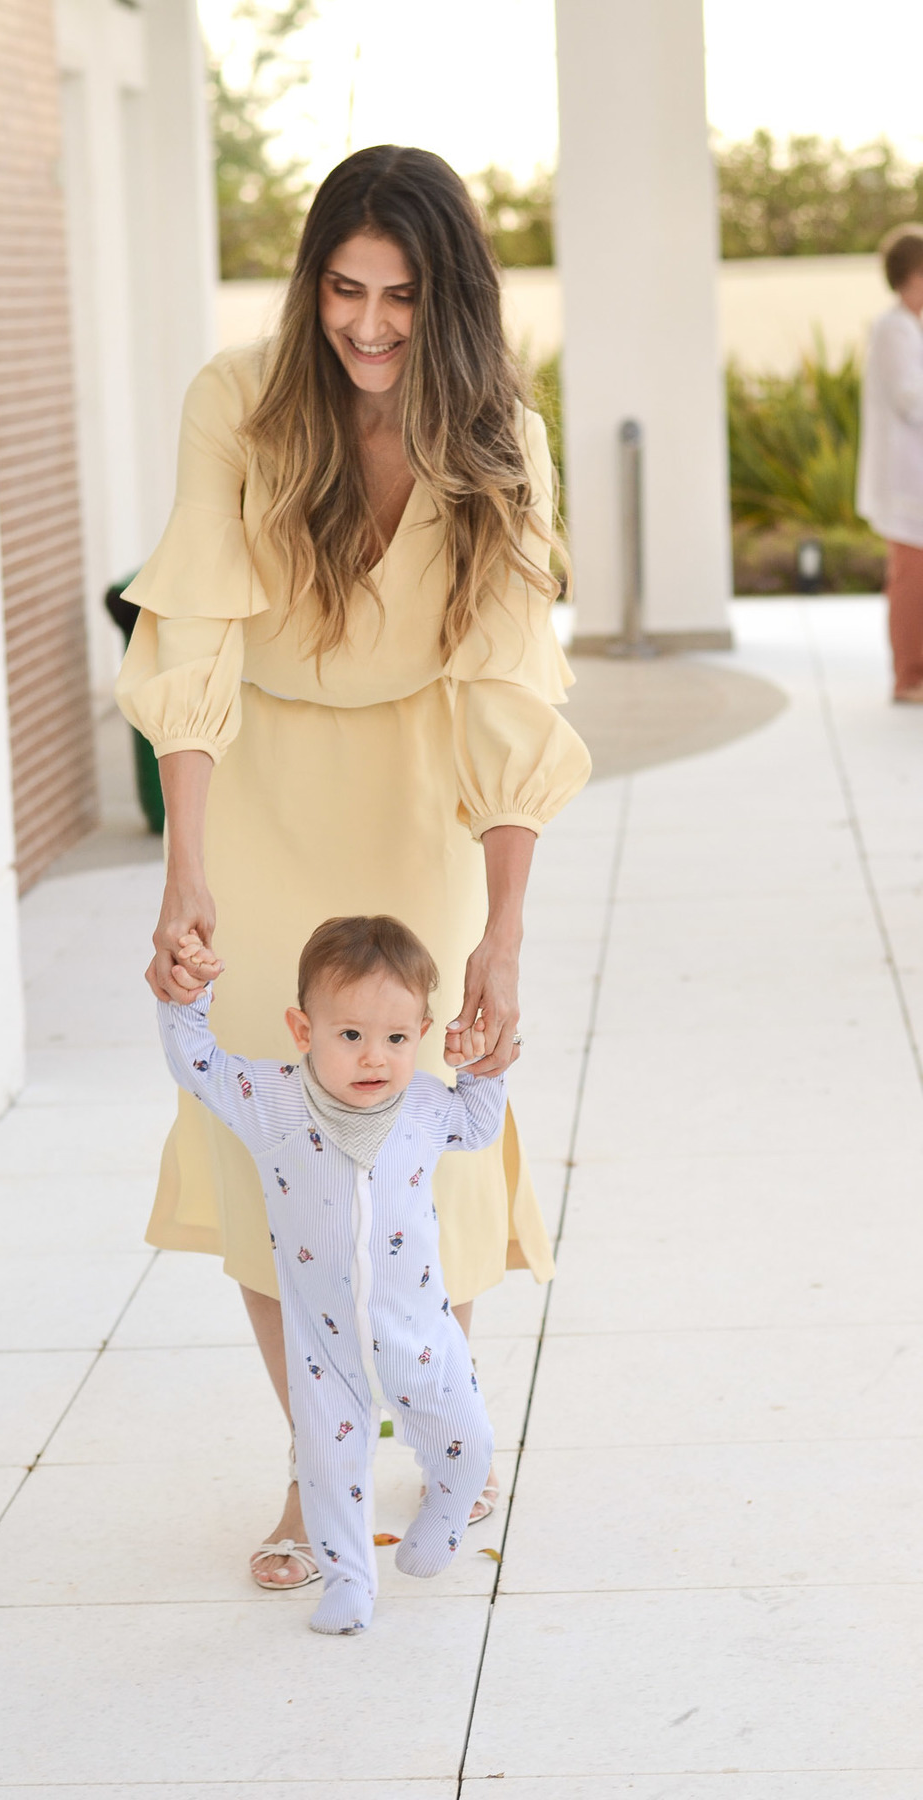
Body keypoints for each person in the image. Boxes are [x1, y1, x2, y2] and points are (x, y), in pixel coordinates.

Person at [116, 145, 591, 1591]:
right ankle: (312, 1465)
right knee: (275, 1133)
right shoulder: (238, 402)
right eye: (343, 288)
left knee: (418, 1125)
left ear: (450, 301)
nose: (368, 325)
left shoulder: (499, 438)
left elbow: (511, 691)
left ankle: (443, 1437)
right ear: (311, 283)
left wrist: (504, 932)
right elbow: (194, 637)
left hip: (416, 796)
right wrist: (186, 866)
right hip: (258, 793)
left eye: (399, 297)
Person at [158, 916, 500, 1635]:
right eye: (350, 1035)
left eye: (397, 1038)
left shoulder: (425, 1105)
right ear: (302, 1029)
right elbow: (199, 1066)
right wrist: (187, 1000)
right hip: (323, 1344)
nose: (375, 1057)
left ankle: (446, 1506)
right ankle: (348, 1582)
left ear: (421, 1033)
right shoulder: (273, 1102)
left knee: (470, 1441)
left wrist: (480, 1066)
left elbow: (478, 1124)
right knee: (328, 1464)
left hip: (421, 1332)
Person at [857, 222, 923, 703]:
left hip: (913, 475)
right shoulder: (892, 329)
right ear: (914, 276)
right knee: (910, 577)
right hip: (904, 481)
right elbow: (911, 400)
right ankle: (909, 678)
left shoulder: (910, 326)